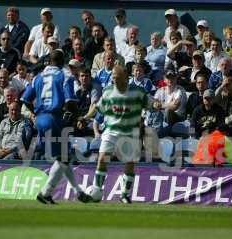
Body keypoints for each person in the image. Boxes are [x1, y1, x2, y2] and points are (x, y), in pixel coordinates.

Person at [21, 49, 91, 204]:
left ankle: (77, 191)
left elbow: (25, 99)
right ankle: (46, 192)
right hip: (54, 119)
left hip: (40, 120)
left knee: (63, 157)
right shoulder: (64, 75)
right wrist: (77, 117)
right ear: (62, 62)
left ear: (49, 61)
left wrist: (36, 112)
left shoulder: (37, 77)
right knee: (64, 157)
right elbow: (70, 102)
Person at [80, 65, 150, 204]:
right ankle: (97, 190)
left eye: (117, 78)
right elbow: (97, 108)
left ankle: (124, 194)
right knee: (102, 159)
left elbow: (150, 103)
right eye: (113, 78)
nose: (115, 81)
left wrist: (158, 104)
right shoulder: (108, 91)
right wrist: (85, 118)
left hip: (131, 133)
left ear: (125, 77)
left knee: (129, 163)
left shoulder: (138, 92)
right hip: (111, 131)